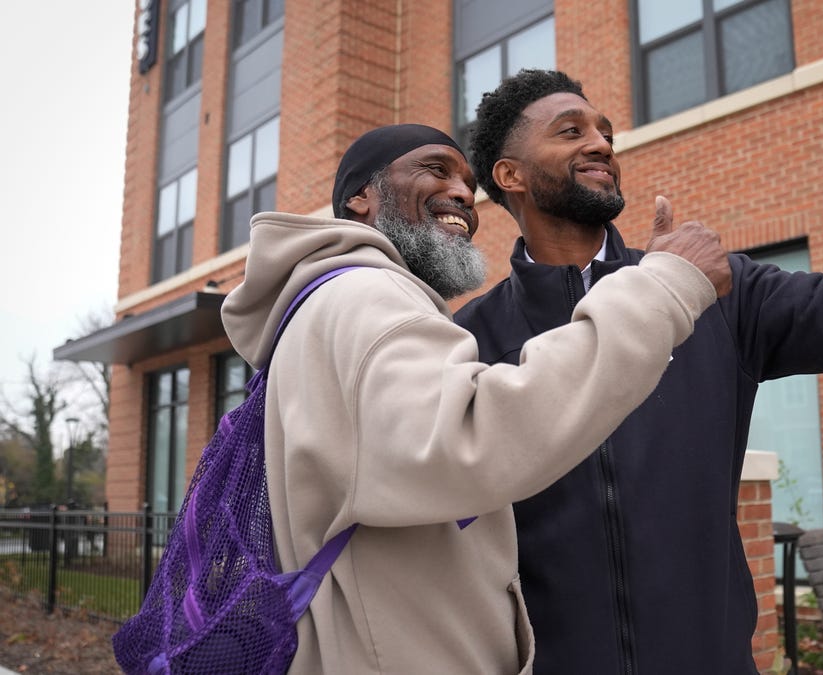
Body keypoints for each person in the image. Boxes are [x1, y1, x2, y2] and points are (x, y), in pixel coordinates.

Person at [454, 20, 823, 675]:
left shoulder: (717, 291)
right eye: (571, 131)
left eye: (605, 132)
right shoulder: (472, 342)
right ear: (508, 174)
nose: (600, 143)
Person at [220, 123, 732, 674]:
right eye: (435, 170)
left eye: (468, 180)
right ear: (360, 197)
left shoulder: (328, 303)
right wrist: (666, 289)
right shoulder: (366, 294)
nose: (465, 193)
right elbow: (471, 437)